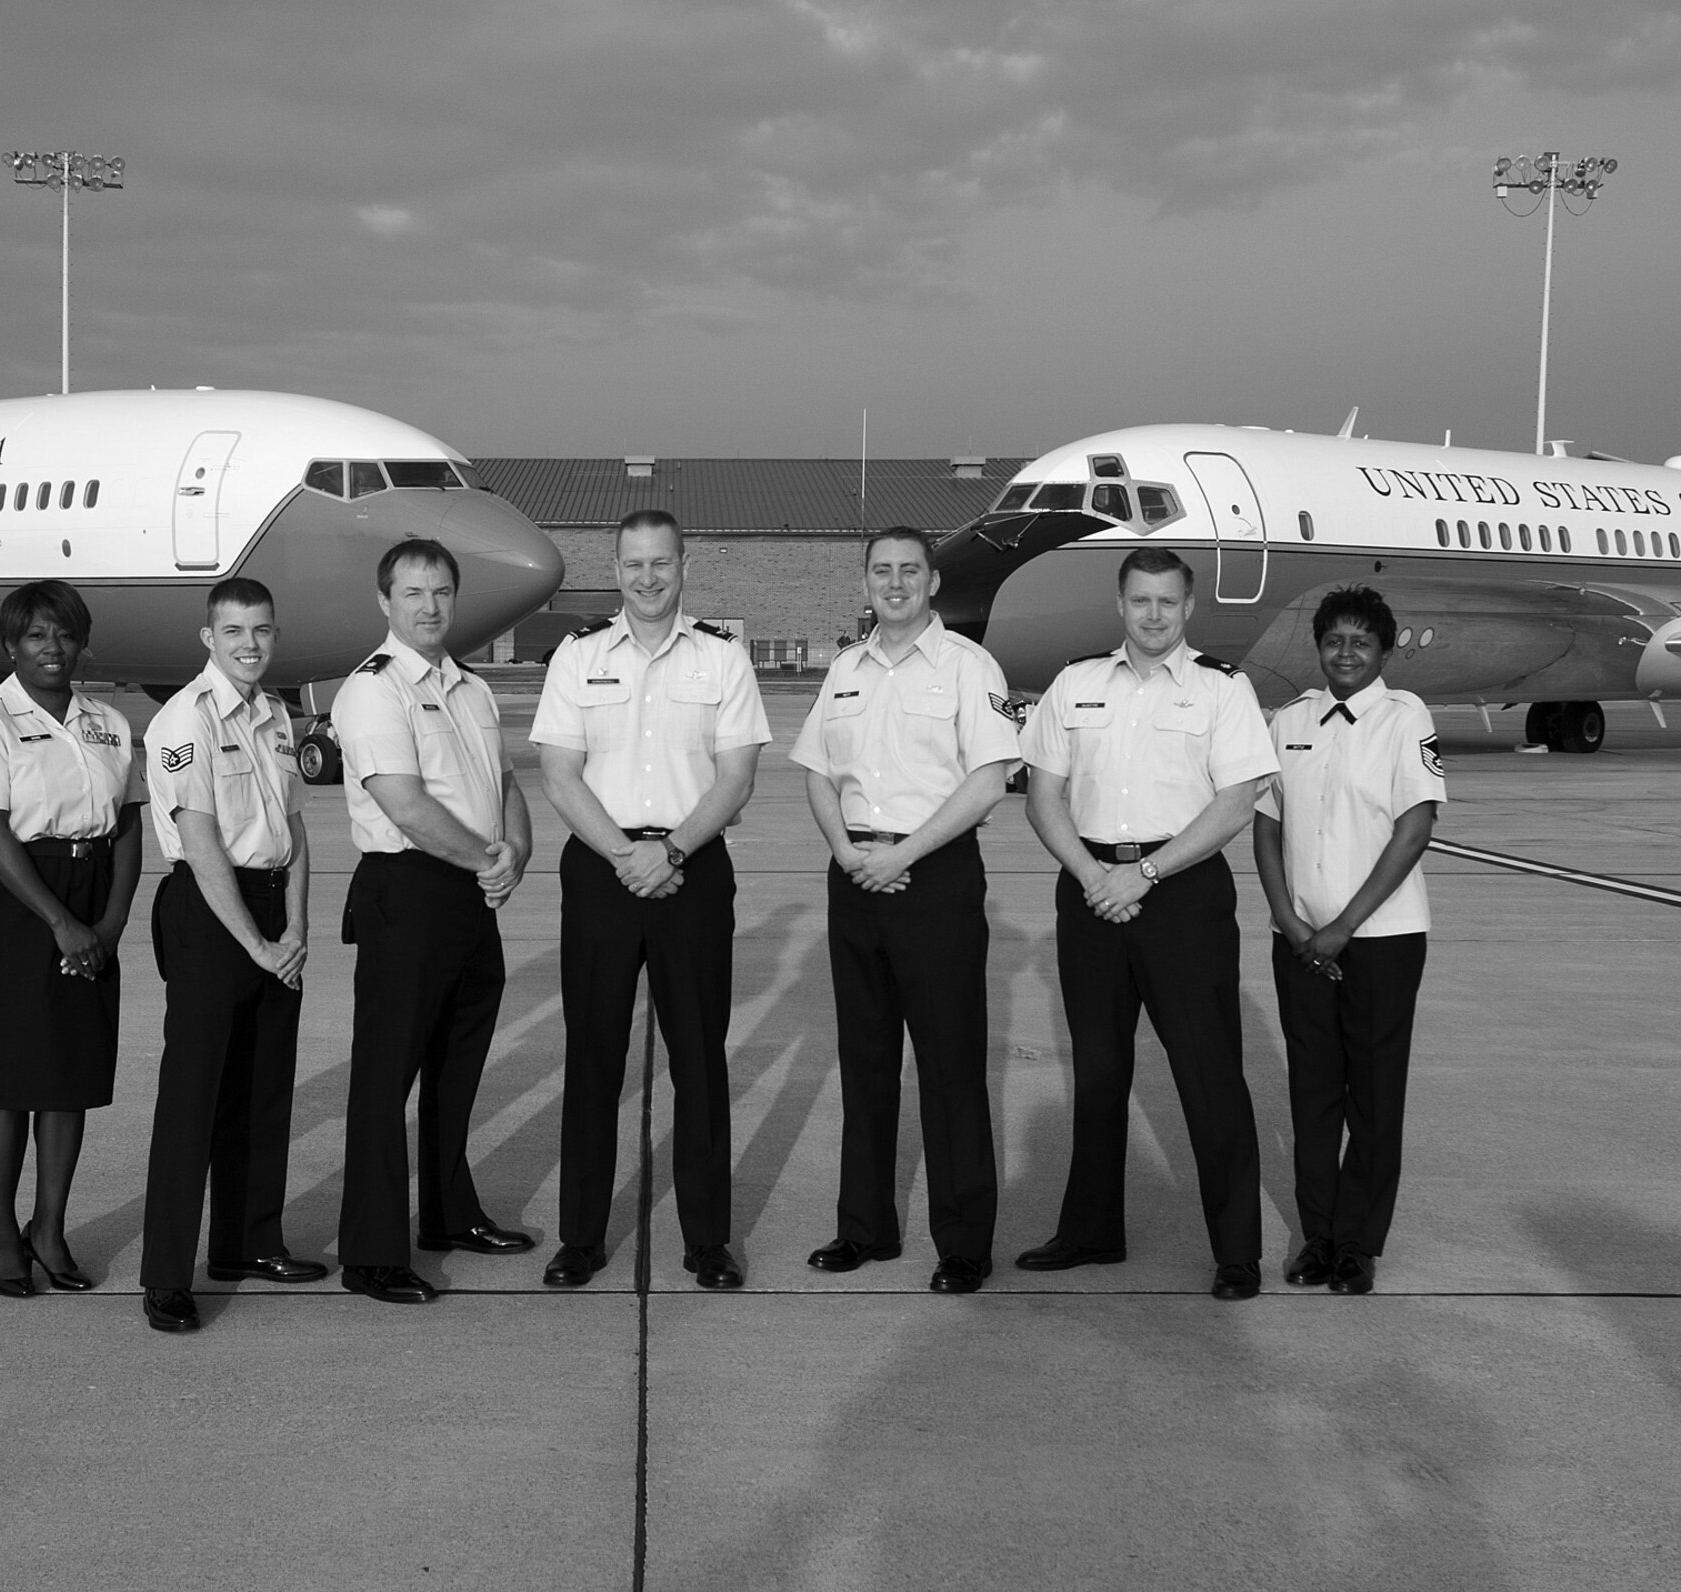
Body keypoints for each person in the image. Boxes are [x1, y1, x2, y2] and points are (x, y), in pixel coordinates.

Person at [1015, 545, 1279, 1300]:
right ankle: (1091, 1231)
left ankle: (1236, 1251)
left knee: (1209, 1073)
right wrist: (1096, 875)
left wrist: (1146, 873)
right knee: (1097, 1073)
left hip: (1182, 895)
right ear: (1120, 605)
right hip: (1090, 888)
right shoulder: (1076, 682)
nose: (1154, 615)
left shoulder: (1222, 690)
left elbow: (1234, 803)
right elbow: (1044, 797)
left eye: (1168, 602)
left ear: (1188, 607)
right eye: (1140, 601)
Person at [531, 509, 769, 1290]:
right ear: (617, 568)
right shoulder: (577, 656)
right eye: (633, 564)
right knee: (593, 1057)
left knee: (698, 1062)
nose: (646, 577)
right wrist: (625, 855)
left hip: (691, 870)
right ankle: (581, 1238)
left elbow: (736, 777)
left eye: (660, 563)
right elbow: (560, 774)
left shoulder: (724, 658)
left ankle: (707, 1241)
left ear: (684, 565)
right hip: (601, 872)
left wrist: (666, 853)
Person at [791, 527, 1021, 1294]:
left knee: (951, 1065)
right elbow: (819, 773)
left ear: (932, 583)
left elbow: (989, 780)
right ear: (866, 582)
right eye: (881, 571)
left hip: (935, 880)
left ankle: (963, 1242)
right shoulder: (845, 670)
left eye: (908, 572)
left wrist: (904, 854)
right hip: (855, 876)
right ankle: (865, 1227)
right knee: (865, 1063)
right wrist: (850, 853)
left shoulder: (967, 667)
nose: (894, 583)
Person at [333, 539, 534, 1305]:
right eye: (412, 592)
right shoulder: (373, 690)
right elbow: (406, 806)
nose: (428, 605)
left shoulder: (471, 687)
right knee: (386, 1080)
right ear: (385, 601)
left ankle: (450, 1215)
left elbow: (505, 782)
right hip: (409, 891)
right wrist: (489, 859)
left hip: (470, 892)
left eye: (441, 591)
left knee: (457, 1067)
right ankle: (372, 1252)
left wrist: (515, 847)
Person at [137, 578, 325, 1333]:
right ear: (208, 638)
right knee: (194, 1098)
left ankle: (249, 1242)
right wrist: (255, 942)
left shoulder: (277, 715)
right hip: (213, 916)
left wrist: (297, 931)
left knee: (263, 1088)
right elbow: (203, 840)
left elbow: (297, 832)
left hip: (274, 909)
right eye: (235, 631)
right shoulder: (184, 719)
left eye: (263, 630)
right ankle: (165, 1276)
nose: (251, 644)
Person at [0, 580, 145, 1298]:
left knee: (69, 1078)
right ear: (11, 645)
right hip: (19, 900)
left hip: (93, 895)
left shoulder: (108, 723)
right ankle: (3, 1231)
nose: (52, 648)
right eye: (36, 636)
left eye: (64, 635)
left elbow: (127, 825)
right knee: (6, 1078)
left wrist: (111, 922)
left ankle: (50, 1228)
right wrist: (60, 923)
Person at [1254, 585, 1444, 1296]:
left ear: (1385, 651)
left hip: (1384, 939)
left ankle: (1359, 1243)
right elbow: (1267, 825)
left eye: (1361, 642)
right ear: (1320, 646)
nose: (1345, 652)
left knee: (1372, 1091)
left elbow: (1414, 828)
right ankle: (1318, 1236)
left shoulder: (1404, 718)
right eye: (1334, 639)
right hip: (1298, 939)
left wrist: (1341, 927)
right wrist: (1292, 920)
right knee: (1311, 1093)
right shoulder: (1292, 719)